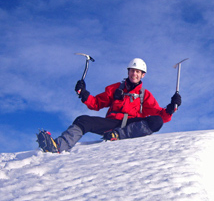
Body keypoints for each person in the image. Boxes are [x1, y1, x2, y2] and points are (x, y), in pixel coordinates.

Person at [37, 58, 181, 153]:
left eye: (138, 72)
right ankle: (58, 146)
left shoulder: (145, 95)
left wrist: (171, 108)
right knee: (83, 120)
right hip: (112, 123)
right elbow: (96, 103)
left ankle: (117, 135)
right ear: (128, 72)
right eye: (132, 70)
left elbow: (160, 115)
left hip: (131, 126)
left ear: (143, 75)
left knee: (156, 121)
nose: (134, 74)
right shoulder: (115, 89)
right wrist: (84, 93)